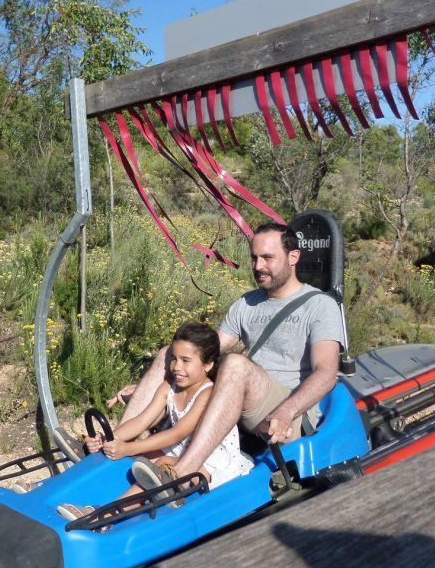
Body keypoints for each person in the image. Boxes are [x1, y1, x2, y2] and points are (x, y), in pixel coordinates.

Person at [112, 222, 344, 489]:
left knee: (234, 364)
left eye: (267, 258)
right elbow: (205, 353)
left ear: (293, 257)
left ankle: (180, 473)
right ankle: (113, 443)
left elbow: (326, 372)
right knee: (171, 353)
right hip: (240, 400)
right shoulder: (247, 303)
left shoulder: (319, 306)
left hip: (286, 412)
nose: (258, 267)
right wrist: (158, 382)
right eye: (254, 258)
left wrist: (285, 412)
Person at [56, 321, 252, 523]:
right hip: (179, 450)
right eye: (174, 359)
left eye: (186, 360)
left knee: (154, 468)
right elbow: (141, 421)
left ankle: (105, 516)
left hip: (211, 462)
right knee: (130, 459)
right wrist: (109, 439)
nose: (177, 367)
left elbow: (177, 434)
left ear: (208, 365)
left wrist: (128, 448)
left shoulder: (207, 394)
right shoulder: (169, 387)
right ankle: (59, 491)